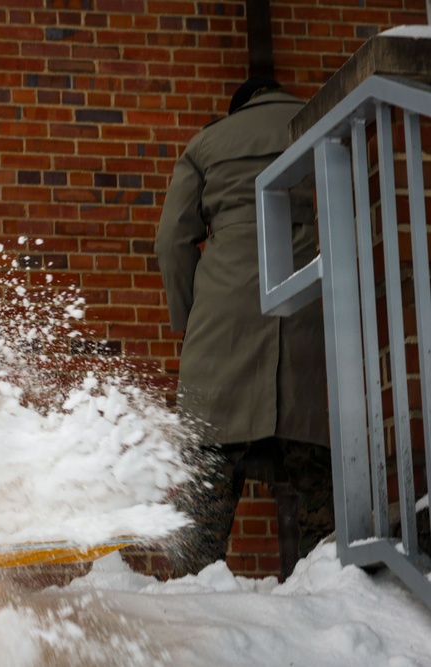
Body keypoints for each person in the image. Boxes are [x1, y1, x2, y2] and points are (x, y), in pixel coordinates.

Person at [154, 77, 334, 578]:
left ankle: (190, 603)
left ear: (239, 108)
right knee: (324, 493)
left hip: (221, 322)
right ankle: (339, 594)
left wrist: (192, 324)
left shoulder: (208, 143)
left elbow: (171, 243)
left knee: (205, 494)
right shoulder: (324, 116)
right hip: (308, 311)